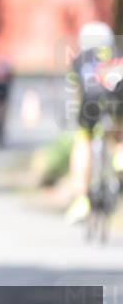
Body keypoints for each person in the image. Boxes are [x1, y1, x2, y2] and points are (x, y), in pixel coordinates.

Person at [65, 21, 119, 224]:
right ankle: (120, 157)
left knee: (83, 139)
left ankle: (80, 199)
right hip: (117, 98)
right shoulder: (117, 55)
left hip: (90, 100)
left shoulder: (80, 59)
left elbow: (76, 91)